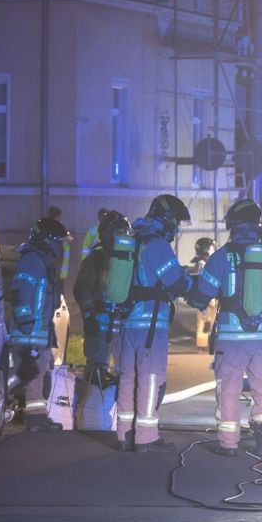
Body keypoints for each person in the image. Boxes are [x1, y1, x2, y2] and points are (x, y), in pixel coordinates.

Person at [188, 199, 262, 457]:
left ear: (233, 225)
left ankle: (228, 443)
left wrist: (190, 294)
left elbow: (203, 295)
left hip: (231, 338)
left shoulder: (221, 257)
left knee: (229, 388)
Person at [114, 194, 193, 453]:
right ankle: (146, 437)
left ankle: (124, 435)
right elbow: (174, 283)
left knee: (127, 379)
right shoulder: (157, 245)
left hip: (128, 323)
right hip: (151, 325)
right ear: (167, 218)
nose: (177, 227)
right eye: (176, 221)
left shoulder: (134, 241)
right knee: (150, 379)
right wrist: (191, 281)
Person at [9, 217, 70, 432]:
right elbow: (20, 294)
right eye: (57, 242)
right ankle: (35, 421)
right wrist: (27, 326)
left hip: (37, 334)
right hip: (29, 334)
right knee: (34, 377)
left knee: (40, 375)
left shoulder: (40, 262)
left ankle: (37, 418)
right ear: (47, 241)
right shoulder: (32, 262)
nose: (59, 247)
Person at [73, 210, 128, 390]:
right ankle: (89, 412)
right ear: (106, 233)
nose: (120, 237)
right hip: (100, 326)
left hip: (124, 327)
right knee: (95, 375)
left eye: (123, 232)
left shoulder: (131, 259)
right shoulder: (95, 259)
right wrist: (89, 317)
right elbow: (81, 289)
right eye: (117, 232)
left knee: (126, 375)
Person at [189, 237, 216, 350]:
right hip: (206, 296)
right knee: (205, 321)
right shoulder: (201, 263)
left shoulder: (205, 262)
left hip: (209, 296)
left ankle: (206, 344)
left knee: (209, 321)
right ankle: (203, 345)